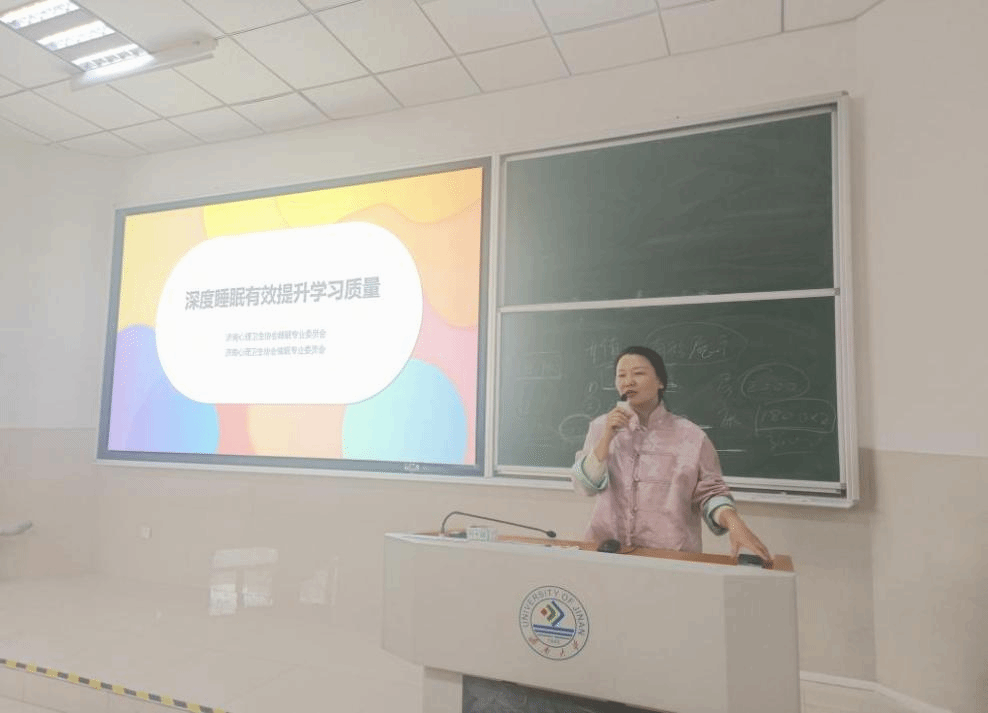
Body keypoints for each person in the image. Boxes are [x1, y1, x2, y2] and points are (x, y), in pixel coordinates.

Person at [572, 346, 771, 561]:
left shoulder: (691, 436)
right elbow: (585, 486)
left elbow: (711, 493)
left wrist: (735, 524)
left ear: (660, 382)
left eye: (638, 373)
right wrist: (606, 438)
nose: (628, 382)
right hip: (607, 553)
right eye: (621, 375)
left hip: (671, 557)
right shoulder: (600, 427)